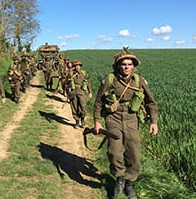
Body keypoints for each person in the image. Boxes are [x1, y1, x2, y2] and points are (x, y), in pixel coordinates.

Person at [93, 47, 158, 199]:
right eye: (124, 64)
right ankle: (119, 179)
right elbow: (98, 102)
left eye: (130, 64)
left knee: (133, 153)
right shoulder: (109, 79)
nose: (127, 67)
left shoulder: (139, 80)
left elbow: (151, 102)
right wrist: (97, 121)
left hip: (132, 118)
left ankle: (129, 183)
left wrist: (154, 122)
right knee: (114, 152)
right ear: (118, 65)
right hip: (113, 118)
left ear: (134, 66)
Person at [66, 59, 92, 128]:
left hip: (81, 92)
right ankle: (77, 121)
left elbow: (88, 83)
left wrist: (90, 92)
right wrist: (68, 94)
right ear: (74, 66)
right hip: (73, 92)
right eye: (76, 66)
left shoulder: (84, 73)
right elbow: (66, 83)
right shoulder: (71, 74)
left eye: (79, 66)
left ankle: (82, 119)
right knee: (74, 107)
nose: (77, 67)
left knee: (83, 107)